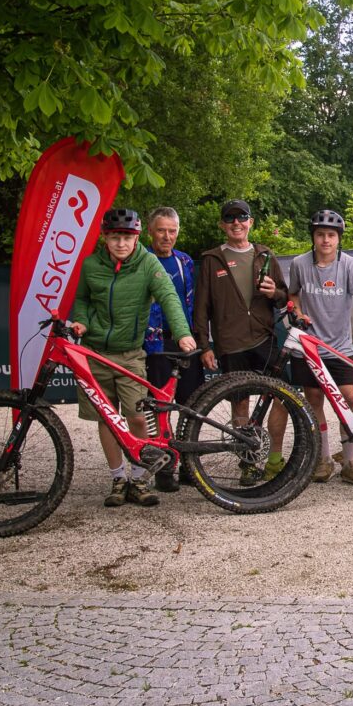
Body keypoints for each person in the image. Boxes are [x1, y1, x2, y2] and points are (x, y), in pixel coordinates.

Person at [71, 208, 196, 508]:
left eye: (127, 238)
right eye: (115, 238)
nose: (121, 244)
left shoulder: (148, 264)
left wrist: (181, 333)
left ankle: (140, 479)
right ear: (105, 238)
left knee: (137, 417)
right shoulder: (91, 266)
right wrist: (81, 321)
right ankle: (118, 479)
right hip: (95, 352)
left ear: (137, 237)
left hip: (130, 354)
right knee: (108, 418)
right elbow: (82, 300)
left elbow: (169, 296)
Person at [193, 199, 289, 482]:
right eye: (230, 218)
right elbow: (201, 308)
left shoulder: (266, 255)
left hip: (265, 337)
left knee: (283, 397)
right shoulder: (212, 259)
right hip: (231, 342)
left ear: (251, 222)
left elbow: (284, 297)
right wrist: (204, 345)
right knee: (241, 404)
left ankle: (274, 460)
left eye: (242, 217)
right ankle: (248, 463)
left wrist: (274, 294)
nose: (237, 222)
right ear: (222, 224)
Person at [286, 209, 353, 485]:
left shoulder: (349, 264)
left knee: (349, 400)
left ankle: (351, 462)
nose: (326, 240)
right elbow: (292, 293)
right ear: (313, 237)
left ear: (338, 238)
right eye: (320, 235)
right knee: (314, 401)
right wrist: (298, 312)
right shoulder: (300, 264)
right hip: (310, 346)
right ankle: (323, 459)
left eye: (331, 235)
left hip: (340, 347)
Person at [141, 206, 203, 492]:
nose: (167, 236)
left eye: (172, 231)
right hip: (155, 343)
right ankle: (166, 466)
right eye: (161, 230)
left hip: (185, 341)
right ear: (150, 231)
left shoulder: (185, 261)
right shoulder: (140, 260)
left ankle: (191, 464)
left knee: (192, 404)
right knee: (160, 406)